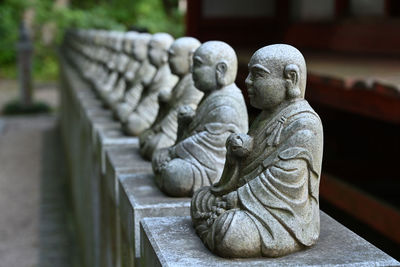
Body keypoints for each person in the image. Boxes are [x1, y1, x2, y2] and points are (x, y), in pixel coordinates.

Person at [191, 44, 324, 258]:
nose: (247, 81)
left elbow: (283, 182)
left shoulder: (305, 124)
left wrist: (235, 199)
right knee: (201, 199)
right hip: (246, 200)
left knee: (231, 233)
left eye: (258, 75)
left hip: (281, 215)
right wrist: (238, 153)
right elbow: (248, 165)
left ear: (290, 78)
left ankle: (214, 230)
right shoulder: (265, 116)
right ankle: (213, 228)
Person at [152, 41, 248, 197]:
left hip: (216, 167)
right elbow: (198, 131)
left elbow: (211, 142)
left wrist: (174, 151)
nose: (192, 70)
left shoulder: (227, 103)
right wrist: (186, 123)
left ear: (221, 69)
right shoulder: (211, 95)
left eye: (197, 65)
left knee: (175, 175)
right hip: (198, 160)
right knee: (159, 155)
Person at [139, 37, 203, 160]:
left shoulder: (194, 84)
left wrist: (159, 128)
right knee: (145, 138)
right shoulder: (182, 80)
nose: (168, 61)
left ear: (191, 57)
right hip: (165, 125)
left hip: (173, 129)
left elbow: (180, 112)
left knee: (153, 147)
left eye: (173, 57)